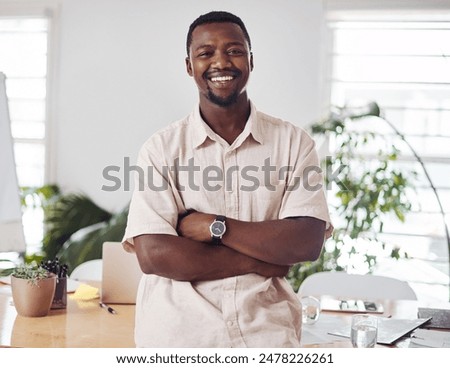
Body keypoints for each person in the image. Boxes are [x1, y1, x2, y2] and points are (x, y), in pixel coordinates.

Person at [122, 10, 332, 348]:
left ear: (251, 60)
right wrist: (259, 258)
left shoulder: (293, 143)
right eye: (206, 53)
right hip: (179, 336)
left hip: (267, 333)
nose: (221, 62)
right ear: (189, 66)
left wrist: (215, 226)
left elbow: (306, 241)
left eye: (234, 50)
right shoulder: (161, 149)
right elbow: (154, 254)